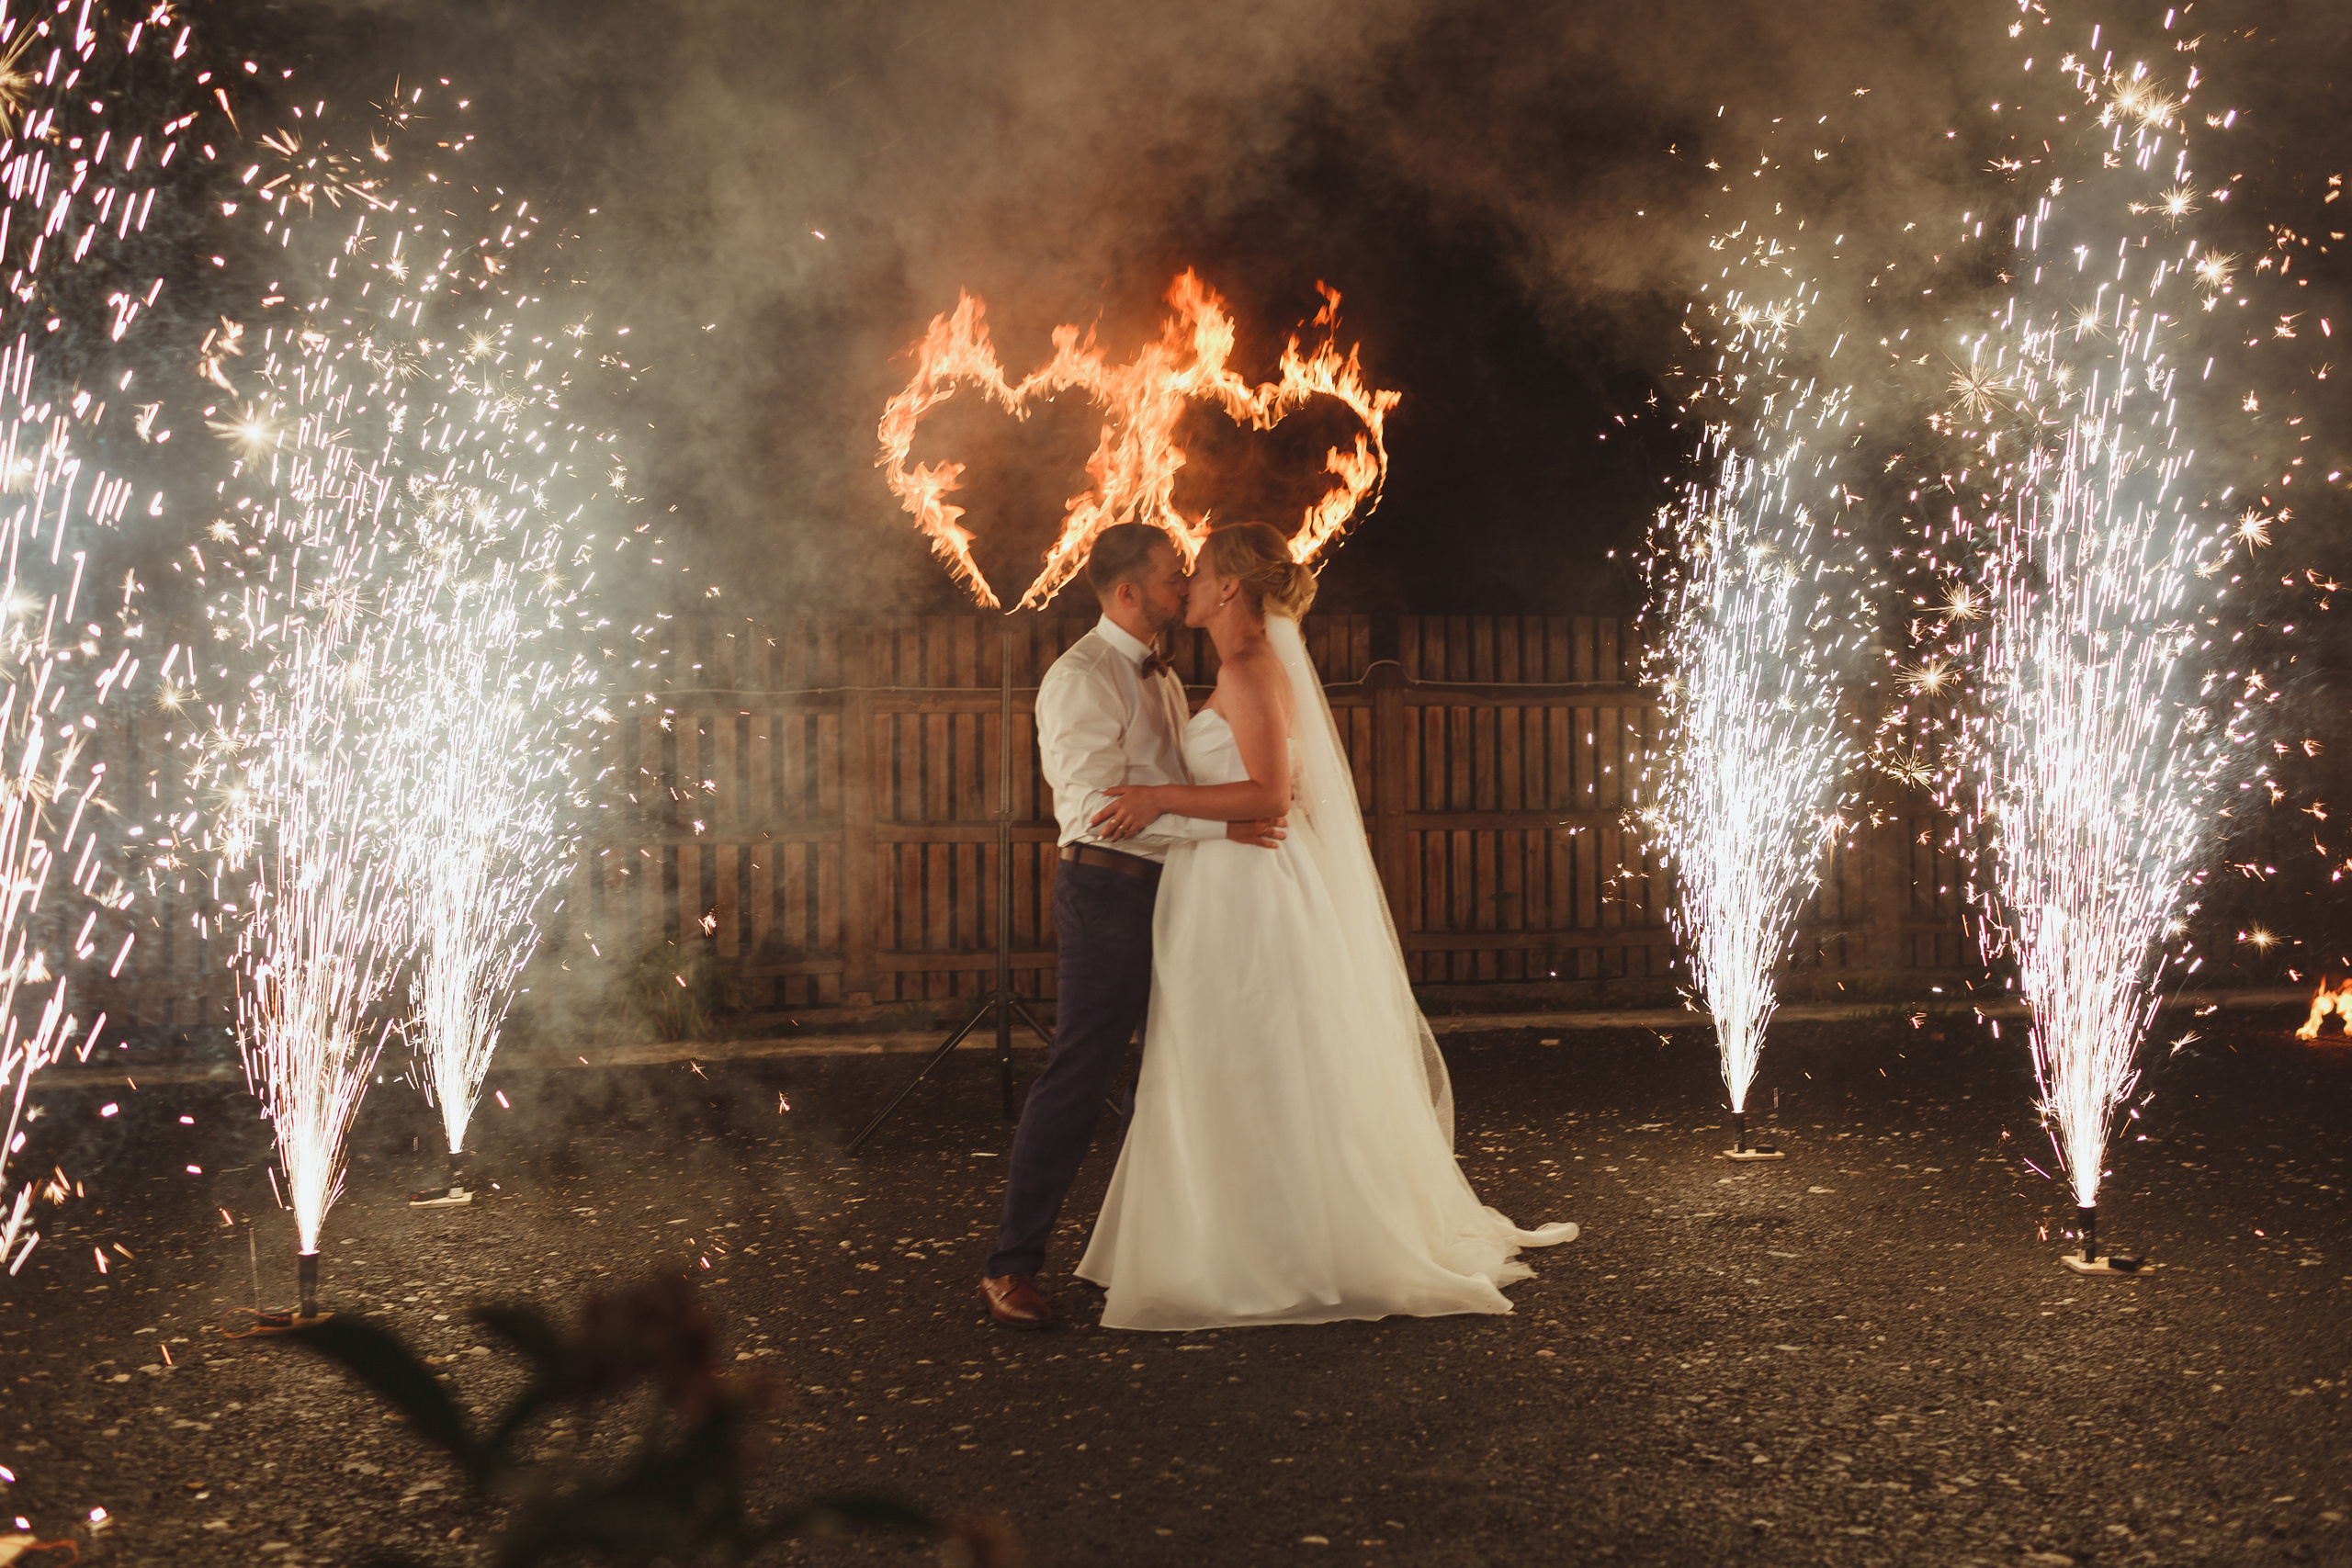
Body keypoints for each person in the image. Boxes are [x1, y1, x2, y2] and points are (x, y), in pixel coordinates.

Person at [1076, 522, 1576, 1330]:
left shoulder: (1246, 666)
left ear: (1230, 588)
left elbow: (1270, 794)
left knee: (1254, 1055)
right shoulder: (1241, 665)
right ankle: (1230, 1234)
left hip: (1248, 889)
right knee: (1238, 1057)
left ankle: (1269, 1246)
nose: (1187, 584)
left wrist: (1159, 796)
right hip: (1225, 880)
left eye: (1199, 571)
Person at [978, 523, 1285, 1330]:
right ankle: (1010, 1264)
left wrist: (1208, 827)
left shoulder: (1165, 674)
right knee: (1081, 1068)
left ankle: (1153, 1252)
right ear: (1127, 592)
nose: (1184, 583)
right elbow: (1095, 813)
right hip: (1107, 892)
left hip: (1179, 890)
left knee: (1173, 1072)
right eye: (1170, 574)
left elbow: (1165, 792)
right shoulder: (1081, 677)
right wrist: (1221, 827)